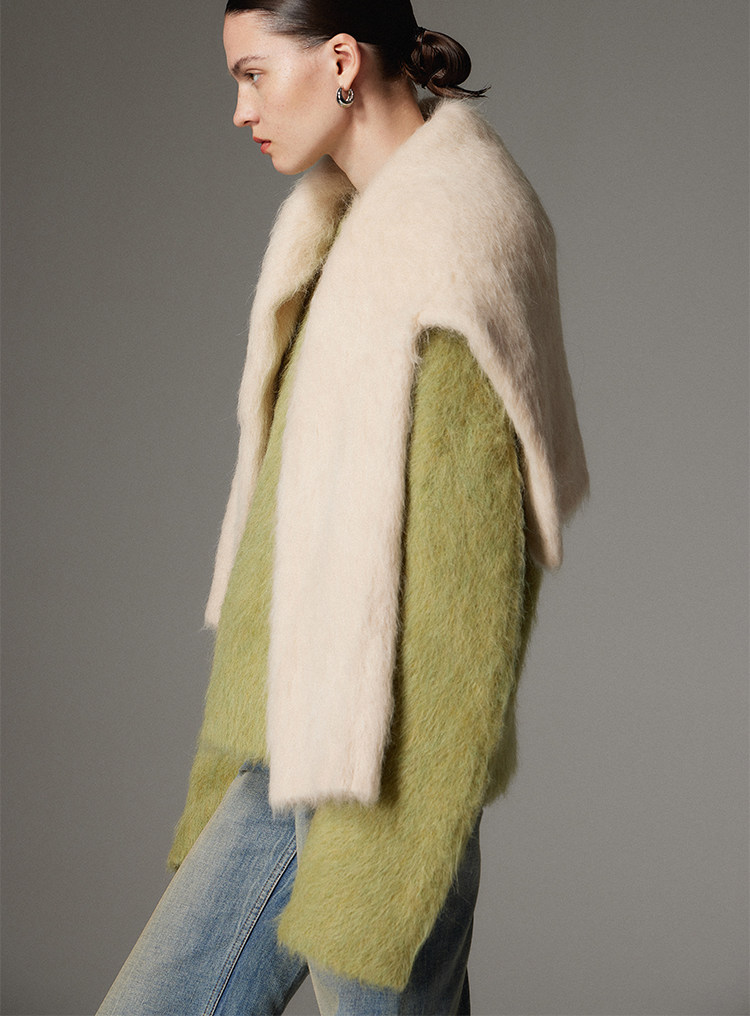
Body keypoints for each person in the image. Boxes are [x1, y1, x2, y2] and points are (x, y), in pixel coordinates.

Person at [97, 0, 589, 1017]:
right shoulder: (346, 226)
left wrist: (414, 821)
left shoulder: (449, 237)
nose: (241, 110)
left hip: (385, 773)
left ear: (338, 60)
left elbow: (467, 578)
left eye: (252, 74)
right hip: (293, 734)